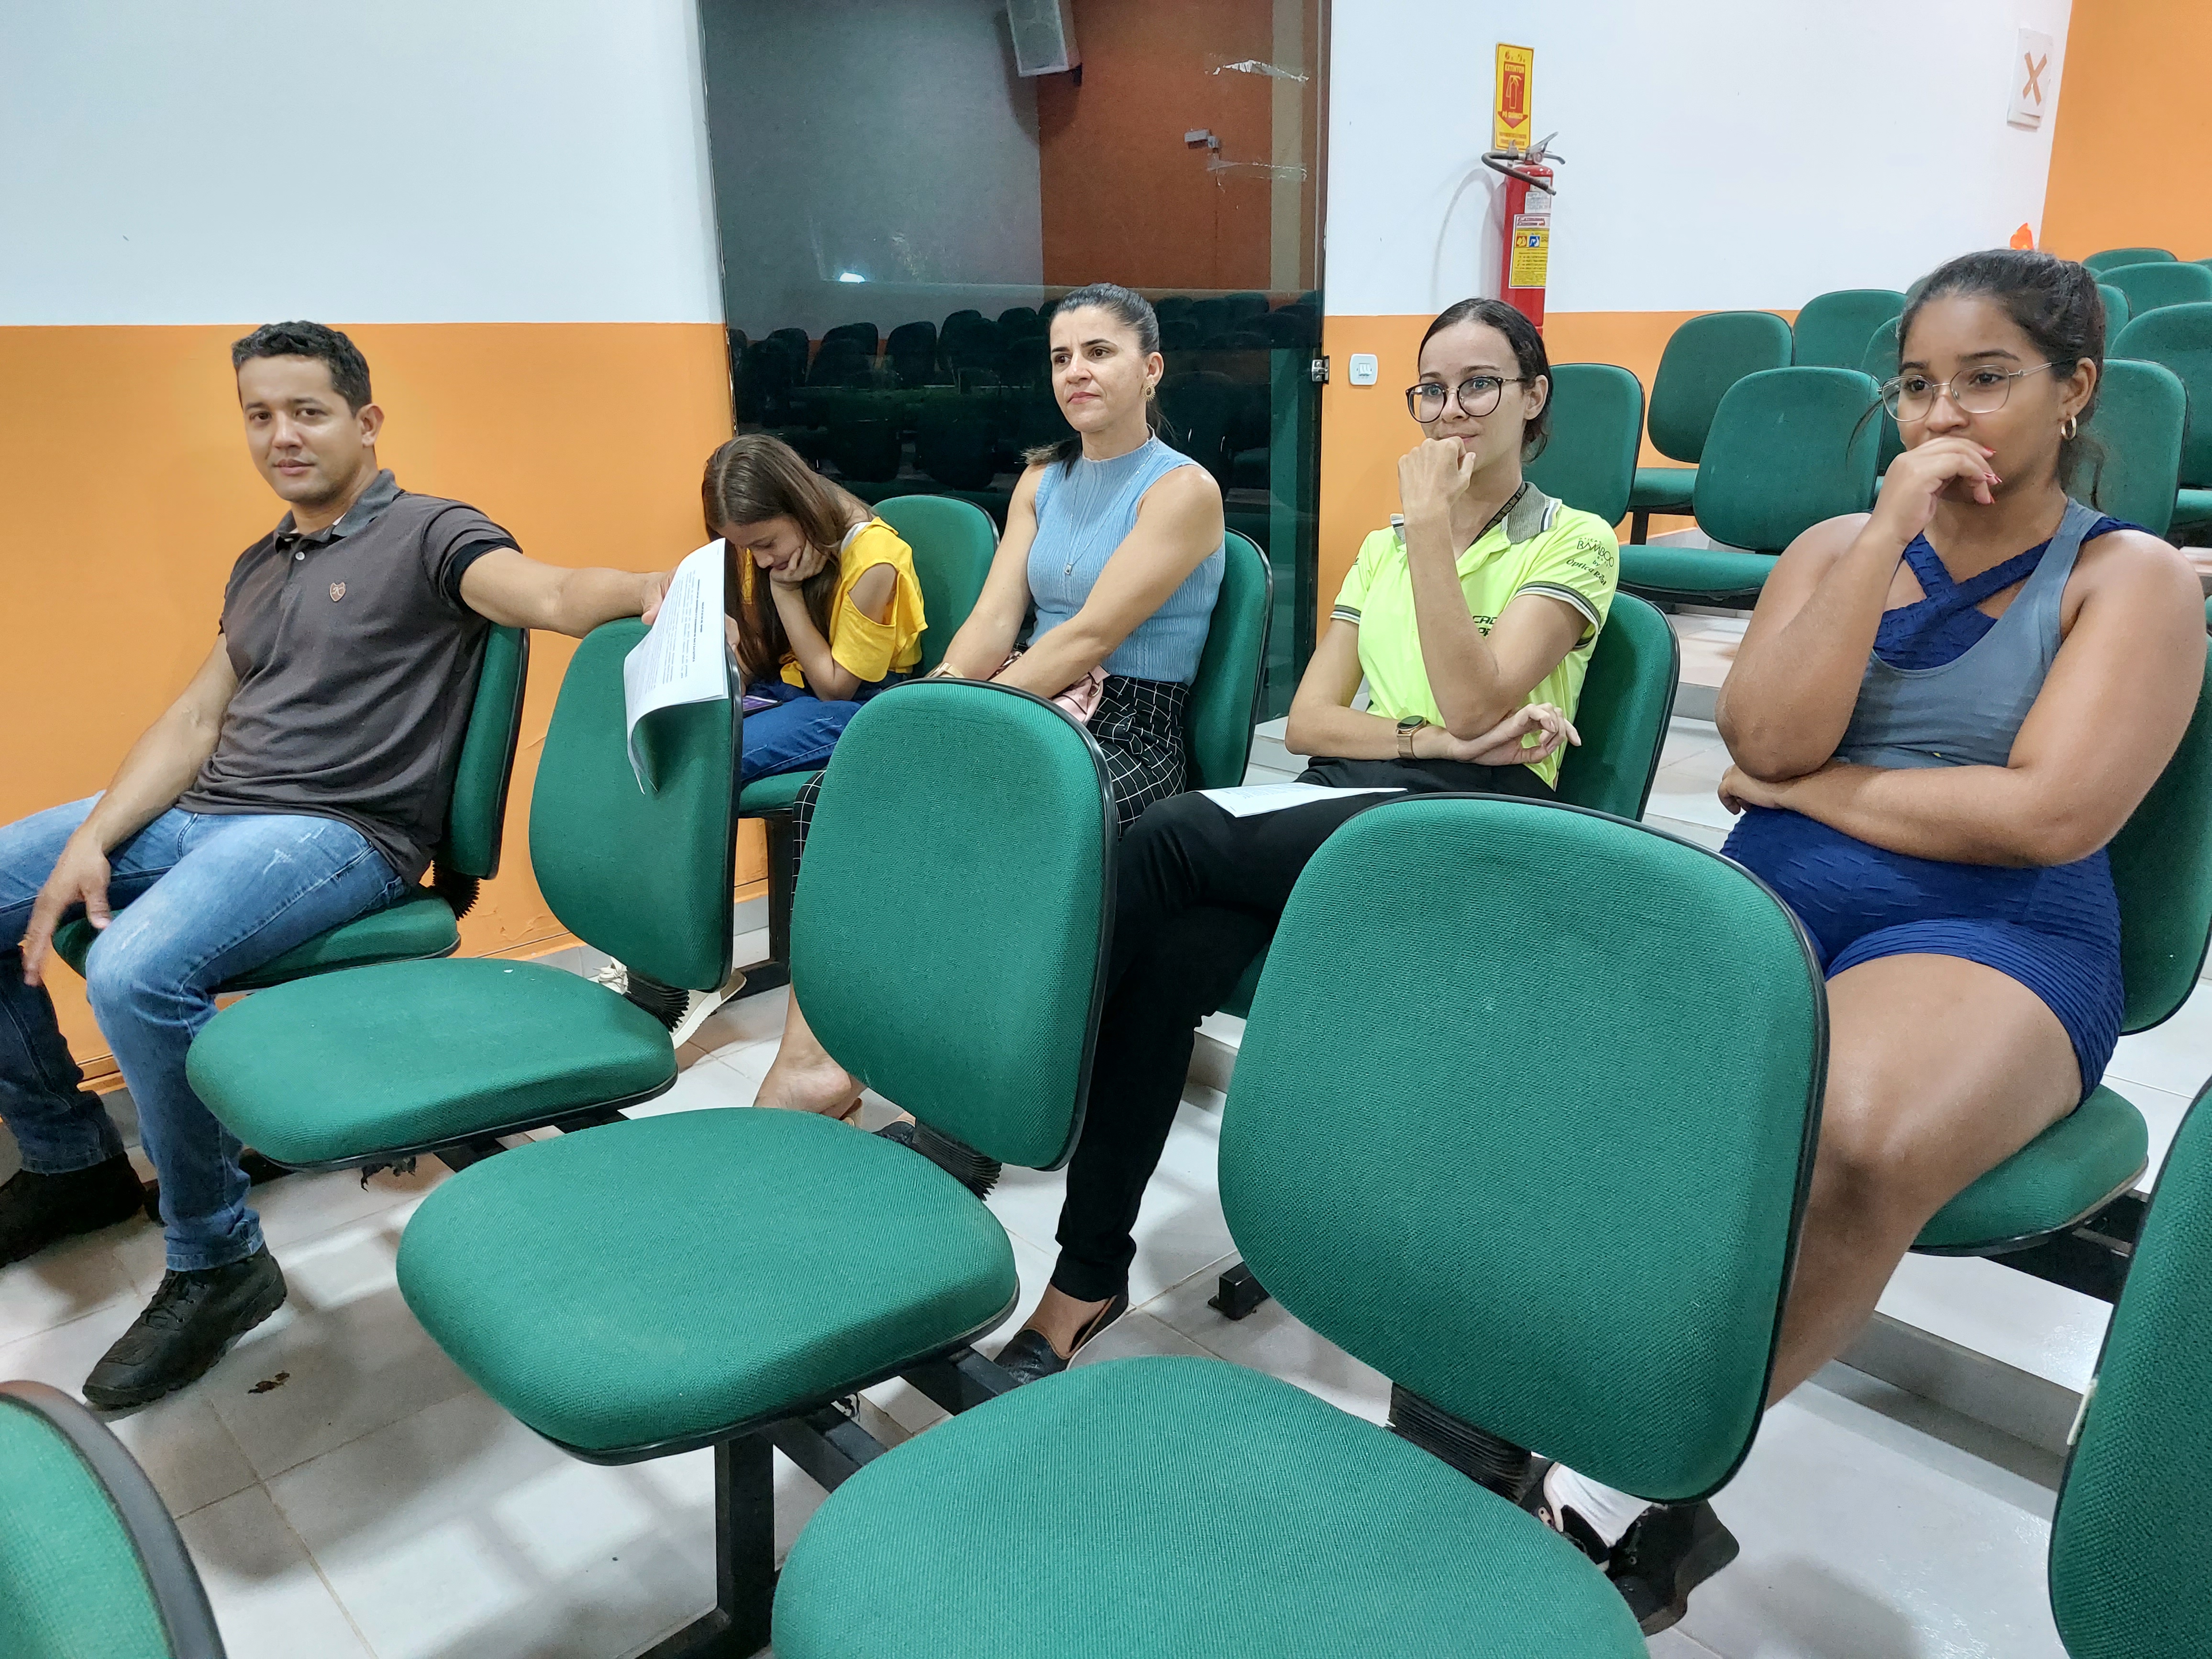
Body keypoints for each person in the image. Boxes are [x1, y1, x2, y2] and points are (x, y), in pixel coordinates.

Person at [1526, 250, 2205, 1633]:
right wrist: (1884, 531)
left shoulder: (2127, 576)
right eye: (1916, 385)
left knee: (1851, 1137)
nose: (1943, 414)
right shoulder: (1838, 548)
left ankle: (1636, 1468)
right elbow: (1766, 736)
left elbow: (2046, 814)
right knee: (1579, 1064)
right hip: (1778, 896)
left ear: (2074, 389)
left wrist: (1812, 790)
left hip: (1999, 930)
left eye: (1987, 379)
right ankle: (1524, 1382)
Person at [0, 321, 683, 1409]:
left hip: (337, 833)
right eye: (259, 415)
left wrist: (655, 583)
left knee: (134, 970)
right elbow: (194, 720)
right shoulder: (260, 563)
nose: (282, 435)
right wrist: (93, 836)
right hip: (211, 809)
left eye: (307, 411)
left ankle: (218, 1259)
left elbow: (550, 595)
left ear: (365, 422)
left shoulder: (430, 533)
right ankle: (70, 1161)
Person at [994, 296, 1619, 1382]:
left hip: (1479, 823)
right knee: (1163, 968)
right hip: (1355, 796)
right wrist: (1435, 733)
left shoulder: (1574, 540)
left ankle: (1022, 1062)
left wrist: (1435, 546)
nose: (1450, 412)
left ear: (1532, 399)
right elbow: (1315, 725)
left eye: (1479, 385)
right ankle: (1086, 1274)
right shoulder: (1381, 548)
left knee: (1172, 829)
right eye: (1432, 390)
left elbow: (1478, 704)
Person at [754, 282, 1228, 1119]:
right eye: (1061, 357)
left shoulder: (1181, 490)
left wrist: (967, 727)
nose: (1076, 372)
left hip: (1128, 730)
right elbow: (991, 621)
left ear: (1151, 369)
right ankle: (815, 1057)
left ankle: (972, 1082)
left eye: (1099, 352)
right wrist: (932, 704)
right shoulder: (1043, 477)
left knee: (982, 820)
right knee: (844, 789)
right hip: (1028, 694)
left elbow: (1087, 637)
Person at [707, 433, 926, 784]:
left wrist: (786, 593)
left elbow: (836, 689)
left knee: (713, 760)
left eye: (766, 544)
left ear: (800, 509)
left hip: (856, 706)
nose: (760, 561)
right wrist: (736, 680)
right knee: (688, 741)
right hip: (788, 684)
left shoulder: (875, 560)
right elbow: (762, 642)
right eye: (748, 550)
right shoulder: (776, 549)